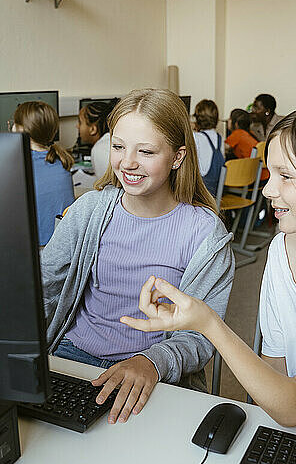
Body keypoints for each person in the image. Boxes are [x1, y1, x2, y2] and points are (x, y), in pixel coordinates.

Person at [121, 98, 296, 426]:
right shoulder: (281, 250)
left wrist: (208, 323)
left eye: (286, 176)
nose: (267, 189)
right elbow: (275, 378)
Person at [41, 88, 234, 425]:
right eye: (118, 146)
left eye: (145, 151)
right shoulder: (90, 210)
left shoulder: (205, 234)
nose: (127, 162)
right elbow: (45, 288)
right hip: (73, 358)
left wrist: (152, 361)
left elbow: (201, 336)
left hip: (151, 369)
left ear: (177, 157)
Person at [12, 101, 74, 246]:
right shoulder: (61, 161)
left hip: (33, 250)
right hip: (59, 247)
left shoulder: (18, 163)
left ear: (20, 129)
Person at [74, 98, 120, 188]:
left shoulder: (99, 149)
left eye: (80, 122)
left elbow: (107, 189)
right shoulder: (113, 139)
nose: (77, 126)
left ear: (93, 129)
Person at [193, 99, 225, 196]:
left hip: (200, 194)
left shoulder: (195, 137)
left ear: (197, 118)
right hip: (216, 193)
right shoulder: (220, 138)